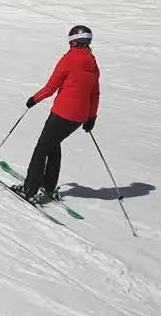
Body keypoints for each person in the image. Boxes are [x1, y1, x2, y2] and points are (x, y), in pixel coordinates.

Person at [14, 25, 100, 204]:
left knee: (42, 147)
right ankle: (49, 186)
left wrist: (33, 99)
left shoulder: (68, 60)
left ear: (73, 42)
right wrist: (91, 117)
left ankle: (29, 189)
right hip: (79, 118)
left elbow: (51, 88)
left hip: (62, 114)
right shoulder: (93, 63)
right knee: (53, 144)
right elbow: (94, 94)